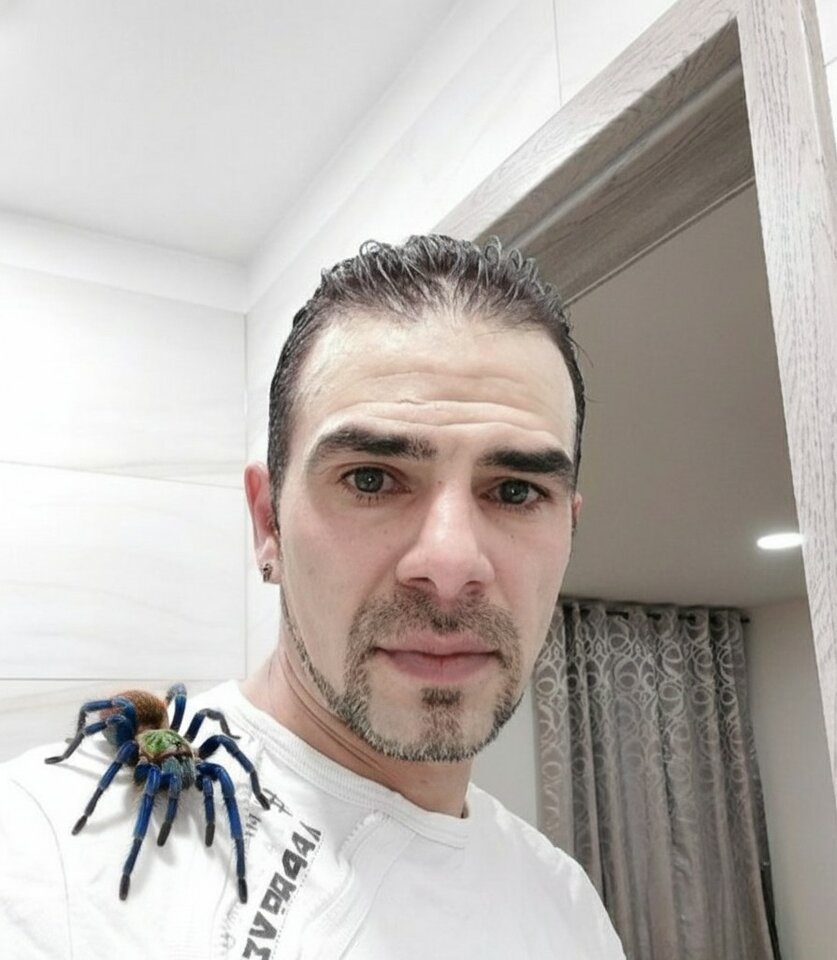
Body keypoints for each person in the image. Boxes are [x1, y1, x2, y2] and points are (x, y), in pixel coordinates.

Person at [0, 236, 625, 959]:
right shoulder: (45, 857)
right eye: (370, 479)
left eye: (515, 491)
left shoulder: (567, 908)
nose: (450, 565)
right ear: (267, 522)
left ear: (568, 529)